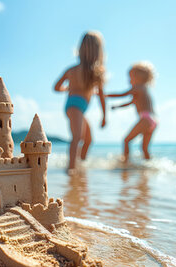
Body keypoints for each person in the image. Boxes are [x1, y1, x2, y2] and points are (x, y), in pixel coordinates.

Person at [54, 31, 107, 171]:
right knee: (77, 137)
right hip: (75, 107)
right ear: (99, 51)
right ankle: (71, 169)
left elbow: (56, 87)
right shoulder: (95, 73)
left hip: (74, 106)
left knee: (88, 140)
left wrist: (68, 89)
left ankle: (80, 165)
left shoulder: (72, 70)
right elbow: (101, 96)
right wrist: (104, 116)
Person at [107, 61, 157, 163]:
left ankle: (125, 162)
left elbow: (122, 94)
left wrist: (104, 95)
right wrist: (117, 106)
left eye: (131, 77)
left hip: (146, 119)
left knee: (126, 140)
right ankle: (149, 165)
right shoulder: (143, 90)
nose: (129, 80)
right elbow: (130, 102)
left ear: (139, 77)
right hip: (153, 120)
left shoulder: (138, 87)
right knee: (144, 148)